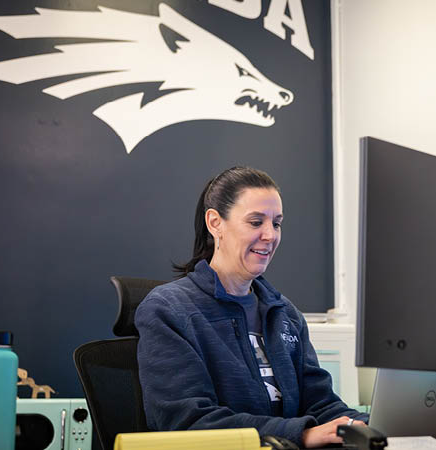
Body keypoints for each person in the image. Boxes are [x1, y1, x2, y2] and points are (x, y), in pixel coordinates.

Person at [135, 166, 368, 448]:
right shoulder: (168, 310)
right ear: (215, 223)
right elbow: (188, 422)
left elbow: (320, 403)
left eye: (277, 223)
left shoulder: (286, 315)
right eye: (256, 222)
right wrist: (301, 434)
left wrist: (361, 427)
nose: (270, 235)